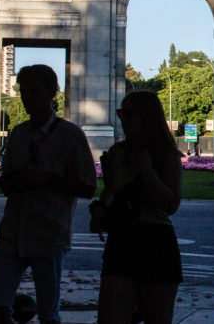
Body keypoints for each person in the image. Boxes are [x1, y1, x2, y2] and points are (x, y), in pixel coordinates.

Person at [0, 65, 97, 324]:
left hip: (48, 234)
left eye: (33, 91)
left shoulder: (71, 135)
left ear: (51, 93)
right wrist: (14, 181)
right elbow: (8, 179)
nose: (26, 97)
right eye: (23, 91)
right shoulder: (18, 134)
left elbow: (88, 187)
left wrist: (47, 179)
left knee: (48, 315)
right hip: (12, 231)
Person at [91, 90, 184, 323]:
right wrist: (102, 209)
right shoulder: (116, 153)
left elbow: (171, 204)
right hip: (121, 240)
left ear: (147, 116)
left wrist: (147, 171)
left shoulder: (167, 155)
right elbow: (108, 194)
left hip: (156, 242)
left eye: (129, 114)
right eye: (121, 113)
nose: (123, 120)